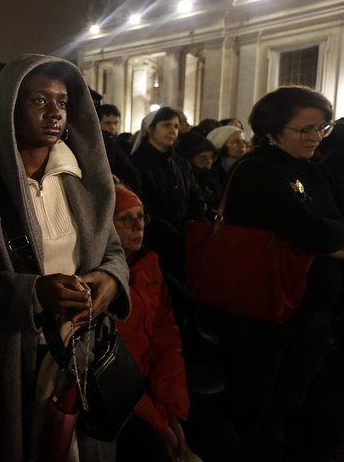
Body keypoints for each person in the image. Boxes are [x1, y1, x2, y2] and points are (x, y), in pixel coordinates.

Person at [0, 54, 131, 462]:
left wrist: (111, 280)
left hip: (82, 355)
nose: (54, 113)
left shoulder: (84, 183)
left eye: (62, 102)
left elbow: (112, 250)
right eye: (39, 101)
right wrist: (33, 293)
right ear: (9, 107)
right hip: (12, 363)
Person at [219, 86, 344, 461]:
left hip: (313, 314)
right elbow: (310, 231)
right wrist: (334, 235)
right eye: (306, 129)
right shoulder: (257, 170)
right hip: (266, 313)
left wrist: (334, 234)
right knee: (258, 407)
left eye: (323, 128)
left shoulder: (318, 172)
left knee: (293, 401)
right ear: (272, 130)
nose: (317, 137)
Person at [113, 185, 189, 462]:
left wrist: (172, 410)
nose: (138, 226)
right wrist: (158, 422)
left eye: (141, 216)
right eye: (125, 219)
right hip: (118, 397)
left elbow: (166, 338)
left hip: (150, 389)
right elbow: (110, 369)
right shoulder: (100, 281)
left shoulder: (147, 266)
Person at [130, 107, 207, 301]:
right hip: (153, 242)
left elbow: (195, 198)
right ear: (150, 129)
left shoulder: (181, 164)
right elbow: (139, 204)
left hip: (183, 241)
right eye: (166, 125)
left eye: (175, 125)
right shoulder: (136, 163)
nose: (173, 130)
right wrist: (163, 228)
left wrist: (195, 224)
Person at [175, 131, 223, 218]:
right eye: (204, 157)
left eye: (212, 157)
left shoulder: (213, 179)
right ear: (190, 158)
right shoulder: (184, 180)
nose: (209, 161)